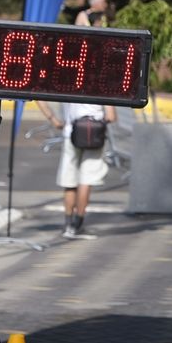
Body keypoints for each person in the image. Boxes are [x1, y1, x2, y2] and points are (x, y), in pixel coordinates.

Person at [33, 98, 118, 239]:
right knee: (86, 180)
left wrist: (53, 119)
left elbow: (39, 97)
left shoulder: (70, 82)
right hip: (96, 136)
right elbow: (111, 116)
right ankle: (78, 223)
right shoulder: (104, 86)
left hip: (71, 133)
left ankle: (67, 224)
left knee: (69, 181)